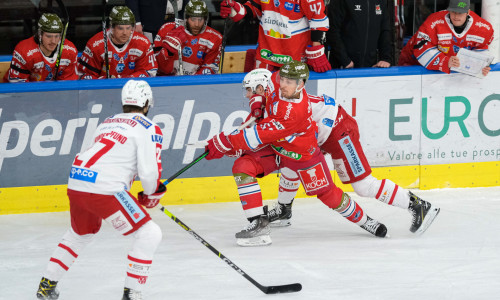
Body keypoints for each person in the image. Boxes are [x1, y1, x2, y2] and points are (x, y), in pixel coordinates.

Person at [204, 61, 387, 247]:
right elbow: (260, 107)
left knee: (329, 196)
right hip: (279, 151)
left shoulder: (291, 111)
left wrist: (223, 143)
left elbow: (257, 135)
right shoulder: (280, 89)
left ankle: (366, 221)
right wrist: (258, 104)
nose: (283, 83)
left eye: (250, 91)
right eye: (281, 79)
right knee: (243, 167)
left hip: (304, 158)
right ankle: (257, 224)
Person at [240, 70, 441, 235]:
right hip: (323, 134)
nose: (248, 96)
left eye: (250, 90)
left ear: (261, 88)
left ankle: (417, 205)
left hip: (339, 131)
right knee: (288, 165)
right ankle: (284, 210)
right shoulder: (273, 97)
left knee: (363, 186)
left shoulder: (280, 102)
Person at [35, 80, 166, 300]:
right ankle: (132, 294)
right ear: (146, 103)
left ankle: (46, 285)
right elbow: (149, 173)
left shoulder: (107, 122)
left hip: (77, 181)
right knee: (149, 234)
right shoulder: (148, 127)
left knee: (79, 234)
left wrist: (147, 191)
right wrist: (152, 193)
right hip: (106, 189)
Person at [219, 0, 331, 73]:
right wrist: (239, 10)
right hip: (266, 55)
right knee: (260, 98)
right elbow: (255, 7)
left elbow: (318, 18)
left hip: (296, 58)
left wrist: (316, 50)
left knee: (291, 101)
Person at [398, 0, 494, 76]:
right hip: (413, 63)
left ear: (468, 12)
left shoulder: (483, 28)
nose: (456, 16)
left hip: (448, 70)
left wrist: (480, 67)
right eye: (453, 12)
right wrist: (446, 62)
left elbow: (481, 51)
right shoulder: (434, 22)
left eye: (460, 13)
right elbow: (421, 49)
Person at [77, 6, 158, 79]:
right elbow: (84, 76)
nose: (125, 33)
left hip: (132, 90)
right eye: (120, 28)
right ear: (112, 27)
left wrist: (126, 79)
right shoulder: (95, 44)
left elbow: (150, 72)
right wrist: (104, 81)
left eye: (128, 28)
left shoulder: (142, 43)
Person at [3, 13, 78, 82]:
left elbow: (68, 86)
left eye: (57, 36)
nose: (53, 41)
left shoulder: (69, 51)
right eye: (49, 36)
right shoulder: (24, 51)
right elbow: (19, 89)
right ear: (40, 34)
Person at [154, 0, 222, 75]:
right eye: (193, 19)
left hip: (195, 84)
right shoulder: (167, 29)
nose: (197, 24)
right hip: (168, 82)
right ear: (186, 18)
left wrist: (191, 81)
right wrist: (168, 51)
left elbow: (210, 69)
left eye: (200, 19)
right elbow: (156, 68)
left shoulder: (214, 38)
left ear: (206, 19)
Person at [326, 0, 392, 69]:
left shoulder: (381, 1)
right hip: (343, 68)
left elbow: (385, 30)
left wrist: (385, 58)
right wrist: (345, 60)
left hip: (371, 67)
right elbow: (332, 30)